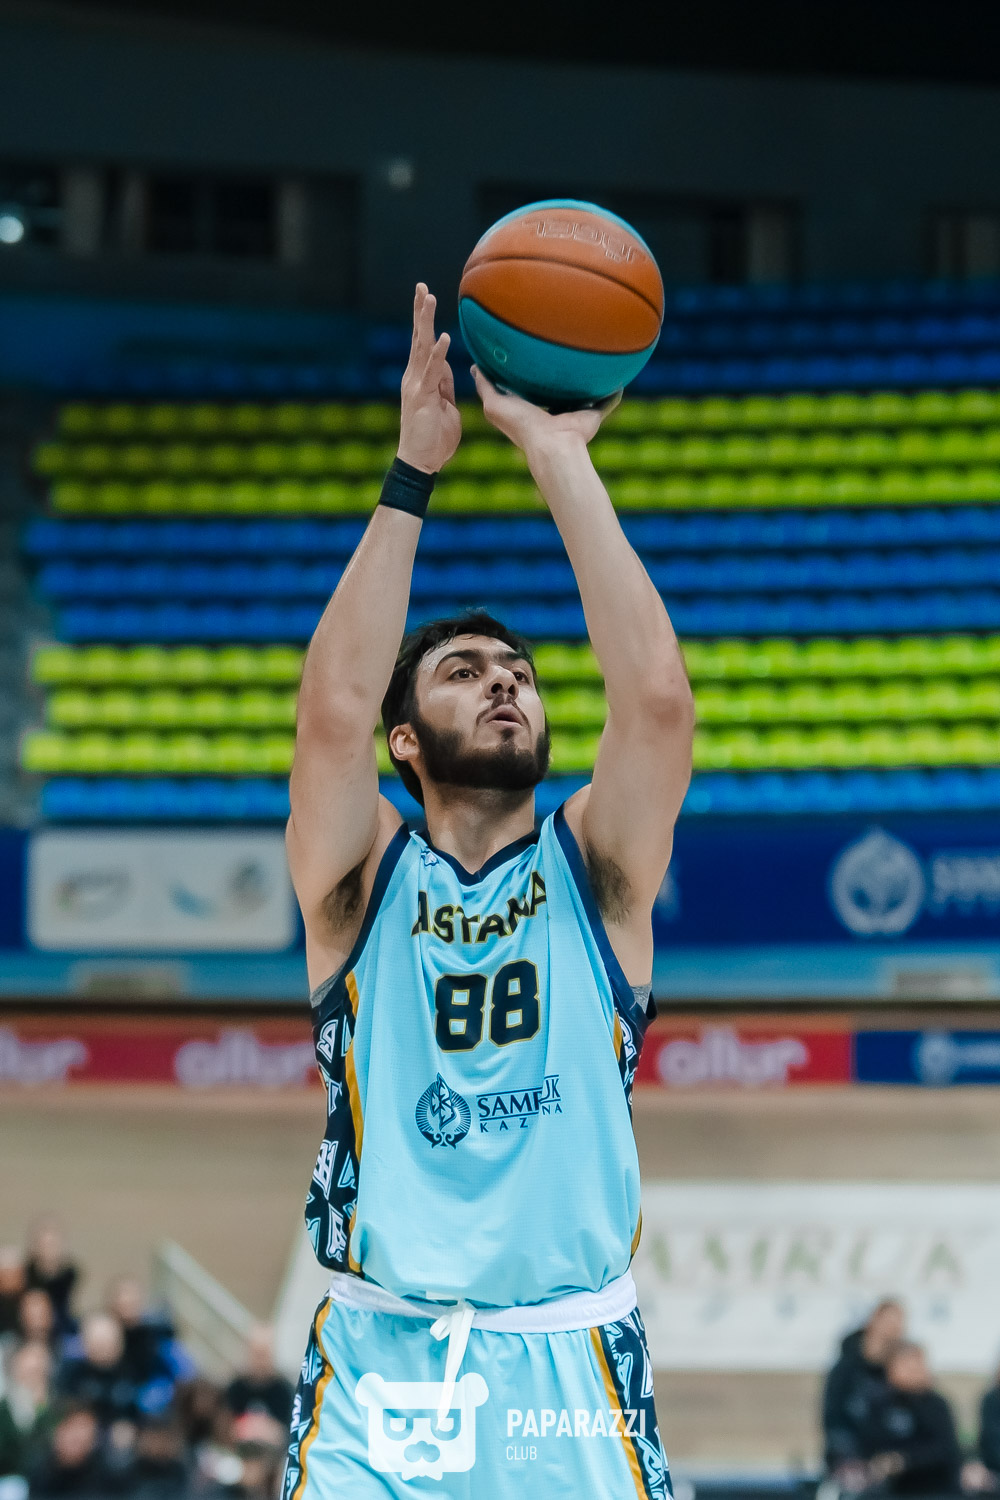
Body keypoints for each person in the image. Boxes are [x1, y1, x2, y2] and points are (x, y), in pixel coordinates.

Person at [282, 284, 693, 1497]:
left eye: (518, 671)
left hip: (571, 1366)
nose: (506, 683)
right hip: (378, 1358)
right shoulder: (363, 881)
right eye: (464, 673)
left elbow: (656, 706)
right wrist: (413, 472)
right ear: (407, 742)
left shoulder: (596, 870)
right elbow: (332, 715)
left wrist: (558, 454)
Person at [859, 1341, 962, 1496]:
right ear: (890, 1369)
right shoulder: (879, 1405)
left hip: (936, 1489)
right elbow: (870, 1443)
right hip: (893, 1490)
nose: (915, 1371)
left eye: (918, 1365)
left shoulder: (936, 1405)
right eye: (907, 1365)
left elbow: (944, 1450)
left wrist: (904, 1461)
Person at [823, 1298, 905, 1479]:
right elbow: (833, 1420)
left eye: (898, 1323)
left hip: (891, 1466)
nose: (894, 1329)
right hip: (852, 1465)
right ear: (873, 1320)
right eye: (889, 1321)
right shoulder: (845, 1369)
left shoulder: (898, 1372)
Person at [57, 1314, 137, 1430]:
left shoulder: (134, 1372)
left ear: (120, 1344)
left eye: (107, 1342)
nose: (102, 1349)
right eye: (97, 1343)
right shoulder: (72, 1375)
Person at [0, 1341, 55, 1481]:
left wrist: (40, 1406)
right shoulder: (4, 1407)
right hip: (10, 1478)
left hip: (49, 1479)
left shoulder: (57, 1404)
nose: (35, 1366)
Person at [223, 1327, 292, 1431]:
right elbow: (225, 1427)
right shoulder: (234, 1390)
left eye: (264, 1354)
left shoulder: (285, 1393)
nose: (260, 1360)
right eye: (256, 1353)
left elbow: (290, 1431)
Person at [23, 1228, 77, 1338]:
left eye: (52, 1244)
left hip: (63, 1329)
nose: (48, 1250)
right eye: (44, 1244)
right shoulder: (24, 1275)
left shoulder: (71, 1275)